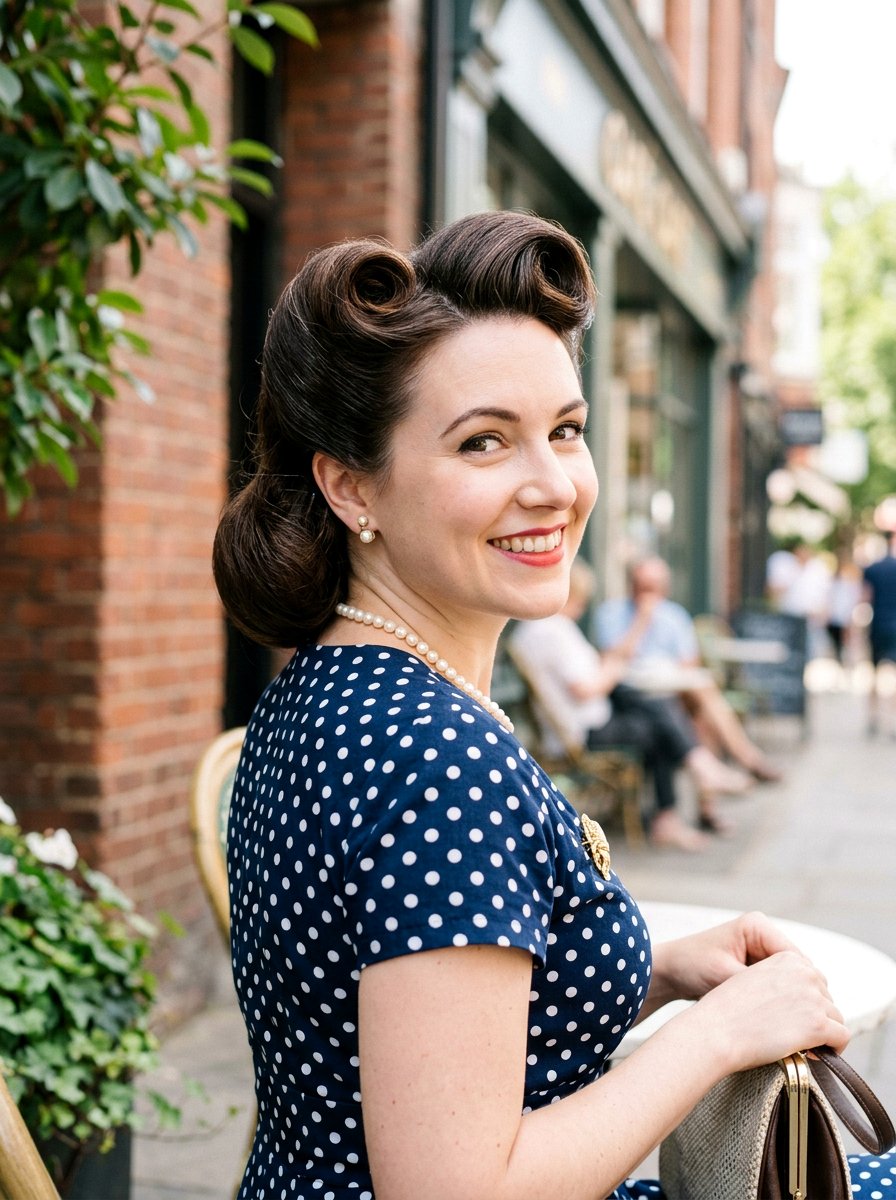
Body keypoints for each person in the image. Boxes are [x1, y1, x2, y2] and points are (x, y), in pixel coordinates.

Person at [211, 211, 877, 1200]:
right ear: (353, 487)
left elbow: (413, 1021)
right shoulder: (434, 756)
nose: (553, 485)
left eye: (565, 431)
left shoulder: (324, 689)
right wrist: (718, 1034)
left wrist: (655, 968)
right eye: (484, 443)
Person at [511, 560, 748, 849]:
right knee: (660, 725)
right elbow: (586, 689)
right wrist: (613, 669)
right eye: (581, 599)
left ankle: (691, 777)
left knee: (657, 710)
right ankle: (685, 789)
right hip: (584, 732)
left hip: (585, 722)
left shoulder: (538, 630)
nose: (582, 607)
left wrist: (611, 667)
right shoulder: (553, 630)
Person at [594, 556, 782, 782]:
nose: (646, 593)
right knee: (702, 717)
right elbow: (611, 659)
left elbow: (689, 663)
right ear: (631, 585)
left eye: (652, 587)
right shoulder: (612, 613)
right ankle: (745, 762)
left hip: (674, 690)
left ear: (664, 589)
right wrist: (641, 621)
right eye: (641, 586)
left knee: (703, 706)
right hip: (632, 694)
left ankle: (715, 796)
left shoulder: (674, 615)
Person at [863, 530, 896, 737]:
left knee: (874, 674)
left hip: (878, 625)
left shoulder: (872, 569)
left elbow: (865, 597)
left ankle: (873, 718)